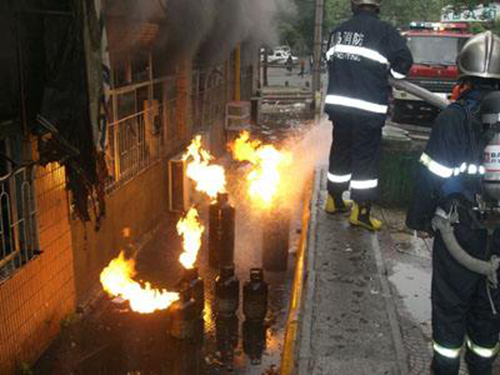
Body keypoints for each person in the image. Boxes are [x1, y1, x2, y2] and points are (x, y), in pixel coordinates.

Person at [406, 31, 500, 375]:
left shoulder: (453, 117)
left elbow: (430, 174)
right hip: (498, 235)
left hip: (458, 231)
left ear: (464, 73)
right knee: (489, 311)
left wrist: (418, 221)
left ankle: (444, 368)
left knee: (450, 307)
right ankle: (482, 367)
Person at [324, 0, 413, 231]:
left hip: (340, 106)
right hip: (367, 108)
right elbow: (403, 63)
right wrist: (388, 74)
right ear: (377, 6)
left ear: (354, 5)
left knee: (340, 150)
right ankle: (361, 212)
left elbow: (330, 61)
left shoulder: (338, 31)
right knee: (365, 158)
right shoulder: (385, 32)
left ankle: (334, 199)